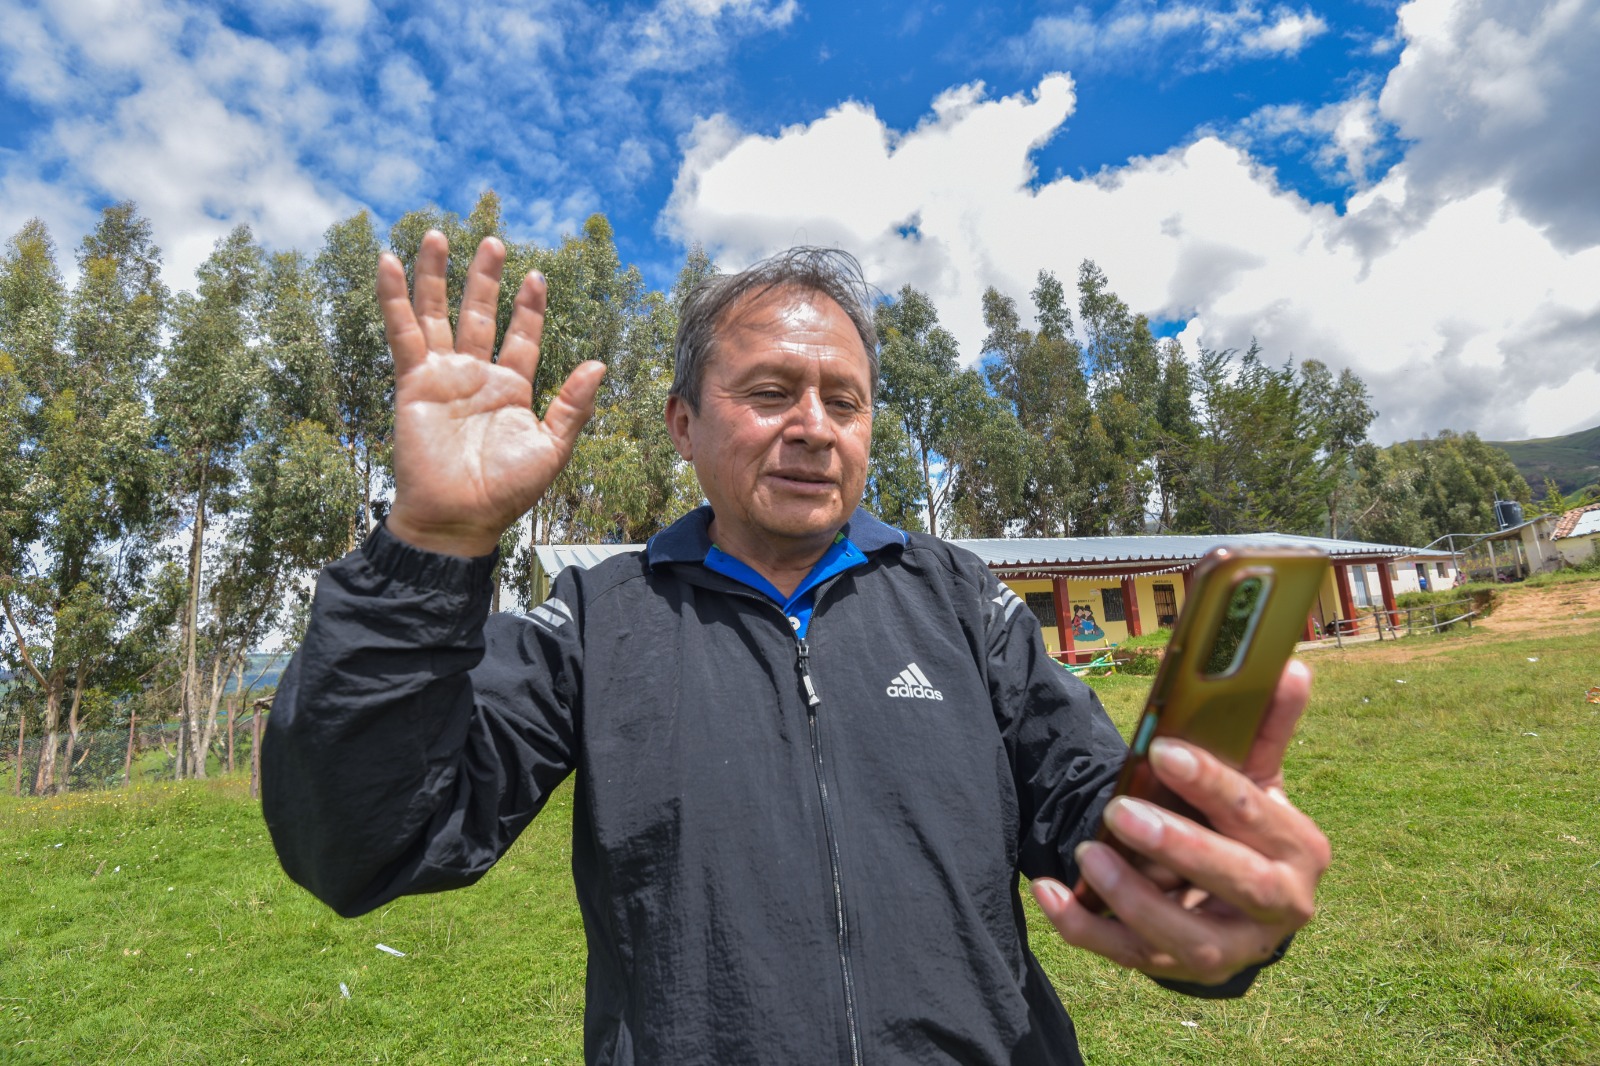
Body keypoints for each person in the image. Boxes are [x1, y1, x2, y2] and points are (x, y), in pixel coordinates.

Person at [263, 234, 1330, 1065]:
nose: (814, 425)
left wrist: (1201, 880)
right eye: (770, 392)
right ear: (684, 426)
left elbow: (1089, 816)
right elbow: (363, 842)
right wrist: (429, 551)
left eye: (844, 401)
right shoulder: (597, 620)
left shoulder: (961, 600)